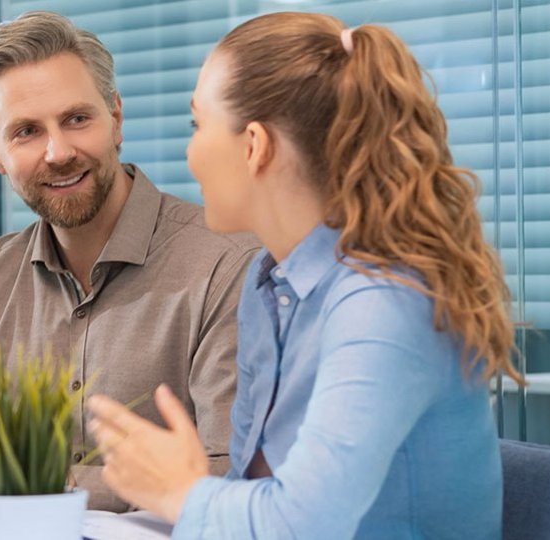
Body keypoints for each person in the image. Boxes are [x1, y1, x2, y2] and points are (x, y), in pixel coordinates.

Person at [86, 12, 521, 538]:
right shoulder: (269, 284)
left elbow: (300, 524)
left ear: (254, 146)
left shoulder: (383, 302)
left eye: (197, 125)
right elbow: (256, 494)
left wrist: (178, 490)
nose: (190, 152)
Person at [0, 11, 259, 511]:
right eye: (26, 131)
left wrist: (17, 474)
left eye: (77, 119)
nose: (57, 152)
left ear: (115, 119)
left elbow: (228, 477)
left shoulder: (228, 265)